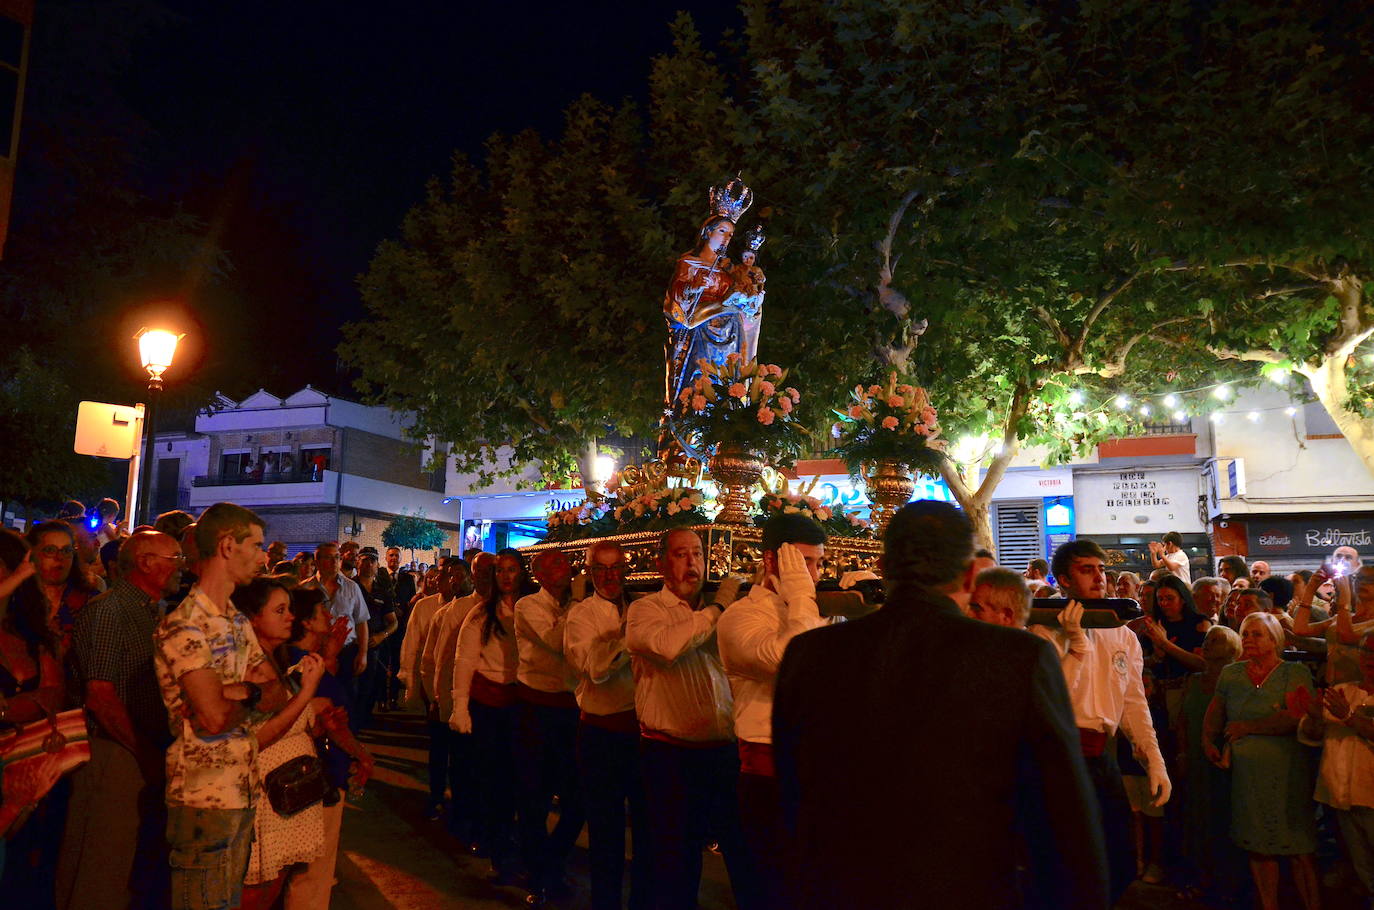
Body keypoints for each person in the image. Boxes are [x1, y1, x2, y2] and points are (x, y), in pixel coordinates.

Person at [775, 501, 1108, 909]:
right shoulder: (1018, 657)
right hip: (972, 889)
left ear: (883, 568)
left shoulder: (811, 653)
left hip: (842, 890)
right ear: (970, 575)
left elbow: (793, 800)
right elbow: (1063, 820)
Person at [153, 502, 311, 910]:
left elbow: (277, 694)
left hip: (241, 790)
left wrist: (237, 692)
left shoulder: (237, 621)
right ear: (226, 546)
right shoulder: (185, 624)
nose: (264, 556)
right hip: (203, 799)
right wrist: (250, 691)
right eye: (256, 545)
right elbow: (214, 716)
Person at [1030, 538, 1169, 902]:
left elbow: (1133, 704)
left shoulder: (1123, 635)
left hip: (1101, 755)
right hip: (1058, 758)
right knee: (1063, 863)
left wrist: (1153, 759)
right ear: (1064, 579)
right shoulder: (1044, 629)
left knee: (1118, 857)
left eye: (1101, 569)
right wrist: (1075, 644)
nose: (1098, 577)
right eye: (1086, 569)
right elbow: (1051, 700)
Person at [627, 528, 754, 910]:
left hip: (723, 754)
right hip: (670, 757)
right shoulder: (645, 610)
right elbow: (668, 647)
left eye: (697, 554)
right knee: (675, 861)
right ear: (662, 563)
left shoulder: (724, 611)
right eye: (681, 555)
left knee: (743, 854)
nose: (692, 563)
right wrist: (717, 610)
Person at [57, 531, 182, 910]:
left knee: (129, 863)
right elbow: (101, 696)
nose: (182, 567)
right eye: (174, 558)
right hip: (116, 751)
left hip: (140, 748)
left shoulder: (152, 611)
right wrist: (143, 752)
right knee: (103, 862)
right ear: (145, 562)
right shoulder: (110, 610)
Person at [718, 513, 827, 910]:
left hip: (813, 772)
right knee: (769, 891)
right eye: (803, 563)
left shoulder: (809, 613)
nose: (812, 574)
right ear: (772, 561)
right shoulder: (740, 617)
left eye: (816, 563)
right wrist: (800, 596)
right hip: (765, 776)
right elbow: (794, 661)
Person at [1203, 611, 1318, 910]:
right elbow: (1216, 710)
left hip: (1286, 770)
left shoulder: (1295, 673)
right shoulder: (1232, 673)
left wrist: (1249, 727)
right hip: (1246, 775)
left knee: (1297, 843)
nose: (1248, 639)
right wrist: (1207, 740)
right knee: (1257, 844)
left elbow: (1295, 717)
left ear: (1274, 639)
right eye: (1245, 633)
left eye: (1257, 634)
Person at [231, 576, 328, 910]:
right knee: (255, 893)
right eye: (280, 610)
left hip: (288, 795)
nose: (291, 617)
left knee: (273, 888)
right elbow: (257, 737)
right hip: (266, 796)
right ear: (253, 618)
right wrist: (306, 694)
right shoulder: (249, 666)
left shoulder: (276, 659)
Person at [564, 542, 651, 910]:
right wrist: (630, 634)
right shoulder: (582, 616)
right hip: (601, 735)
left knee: (649, 831)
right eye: (601, 569)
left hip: (645, 735)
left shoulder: (642, 607)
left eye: (617, 568)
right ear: (590, 573)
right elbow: (596, 670)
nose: (611, 576)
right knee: (606, 832)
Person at [282, 585, 373, 910]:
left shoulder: (310, 659)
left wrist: (331, 653)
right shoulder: (299, 662)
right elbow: (326, 714)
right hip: (315, 775)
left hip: (320, 771)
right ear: (305, 622)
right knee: (312, 871)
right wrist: (360, 753)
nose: (330, 615)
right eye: (323, 610)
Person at [451, 548, 530, 882]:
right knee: (491, 777)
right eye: (501, 571)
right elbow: (464, 661)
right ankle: (493, 840)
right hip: (488, 705)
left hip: (520, 703)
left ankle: (509, 836)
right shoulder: (482, 614)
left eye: (512, 570)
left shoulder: (532, 610)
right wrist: (460, 706)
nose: (506, 576)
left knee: (517, 779)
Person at [513, 549, 585, 903]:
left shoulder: (578, 602)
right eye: (556, 563)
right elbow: (559, 642)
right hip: (536, 709)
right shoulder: (528, 607)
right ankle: (538, 871)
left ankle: (551, 859)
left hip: (571, 711)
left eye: (566, 562)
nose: (566, 567)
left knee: (577, 798)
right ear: (539, 574)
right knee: (534, 797)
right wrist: (580, 606)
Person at [0, 529, 66, 905]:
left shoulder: (31, 630)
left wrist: (10, 708)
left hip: (35, 774)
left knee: (27, 878)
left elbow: (54, 691)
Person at [1300, 628, 1374, 905]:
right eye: (1366, 651)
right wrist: (1315, 716)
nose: (1370, 658)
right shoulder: (1342, 691)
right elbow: (1313, 736)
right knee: (1363, 869)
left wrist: (1350, 718)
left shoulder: (1344, 702)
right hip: (1342, 797)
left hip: (1371, 798)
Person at [1175, 625, 1247, 904]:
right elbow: (1182, 720)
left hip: (1222, 759)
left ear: (1231, 649)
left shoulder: (1236, 681)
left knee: (1222, 817)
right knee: (1196, 817)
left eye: (1215, 640)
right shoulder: (1194, 680)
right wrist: (1181, 754)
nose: (1208, 644)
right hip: (1195, 756)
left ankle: (1226, 883)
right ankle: (1200, 878)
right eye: (1207, 639)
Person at [417, 561, 461, 819]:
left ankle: (459, 796)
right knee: (439, 746)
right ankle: (435, 795)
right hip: (434, 688)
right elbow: (418, 652)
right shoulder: (424, 607)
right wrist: (421, 688)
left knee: (461, 750)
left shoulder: (472, 607)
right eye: (440, 574)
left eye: (449, 575)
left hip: (463, 690)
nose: (440, 579)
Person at [302, 542, 369, 699]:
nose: (334, 562)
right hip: (315, 652)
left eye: (337, 557)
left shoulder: (352, 587)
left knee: (347, 696)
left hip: (346, 652)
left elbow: (361, 622)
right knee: (317, 696)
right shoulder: (305, 589)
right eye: (328, 558)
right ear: (317, 561)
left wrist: (363, 653)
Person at [354, 551, 397, 726]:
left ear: (377, 565)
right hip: (352, 645)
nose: (368, 564)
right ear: (358, 563)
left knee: (371, 685)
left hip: (375, 646)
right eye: (364, 560)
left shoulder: (382, 593)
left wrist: (382, 635)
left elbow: (393, 622)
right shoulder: (350, 587)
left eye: (372, 561)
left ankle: (364, 719)